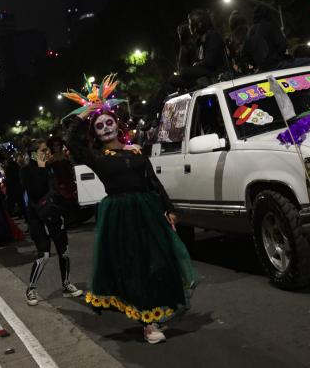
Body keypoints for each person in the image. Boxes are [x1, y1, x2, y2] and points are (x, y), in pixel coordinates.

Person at [64, 74, 198, 344]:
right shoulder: (97, 157)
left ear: (118, 124)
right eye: (99, 126)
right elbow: (71, 141)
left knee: (158, 263)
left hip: (147, 211)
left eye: (109, 122)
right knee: (135, 267)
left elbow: (152, 182)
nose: (105, 128)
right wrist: (84, 115)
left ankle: (157, 311)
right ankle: (148, 324)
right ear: (96, 133)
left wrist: (168, 209)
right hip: (119, 216)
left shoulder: (136, 150)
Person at [21, 140, 83, 306]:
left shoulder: (51, 168)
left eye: (47, 148)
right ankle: (31, 289)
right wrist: (41, 169)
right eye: (43, 149)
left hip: (55, 215)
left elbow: (59, 190)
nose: (47, 151)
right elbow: (35, 192)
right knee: (44, 255)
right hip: (38, 218)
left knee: (64, 252)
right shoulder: (26, 171)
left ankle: (66, 284)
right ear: (34, 154)